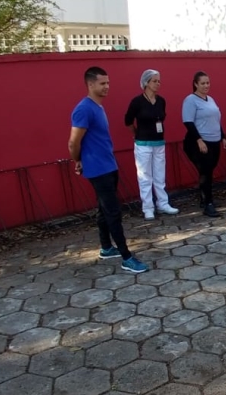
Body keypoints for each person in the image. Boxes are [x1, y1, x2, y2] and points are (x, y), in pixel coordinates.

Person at [68, 66, 149, 273]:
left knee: (104, 209)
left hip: (107, 164)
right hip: (98, 169)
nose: (107, 87)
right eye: (102, 83)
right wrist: (77, 160)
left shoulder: (98, 107)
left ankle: (105, 247)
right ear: (90, 84)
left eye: (108, 83)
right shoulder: (84, 109)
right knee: (113, 212)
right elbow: (73, 142)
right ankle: (126, 257)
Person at [124, 69, 179, 221]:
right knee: (145, 176)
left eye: (159, 81)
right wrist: (136, 133)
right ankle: (148, 207)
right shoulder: (137, 102)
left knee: (160, 174)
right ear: (146, 83)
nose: (158, 84)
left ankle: (163, 203)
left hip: (159, 142)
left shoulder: (161, 101)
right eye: (154, 81)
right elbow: (128, 120)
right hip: (143, 143)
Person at [182, 71, 226, 218]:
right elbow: (188, 122)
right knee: (205, 172)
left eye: (207, 83)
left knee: (209, 170)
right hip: (200, 142)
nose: (206, 86)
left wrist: (223, 137)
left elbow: (216, 119)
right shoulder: (190, 100)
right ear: (195, 84)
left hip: (215, 141)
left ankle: (205, 198)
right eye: (202, 83)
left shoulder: (211, 99)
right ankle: (208, 204)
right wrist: (199, 140)